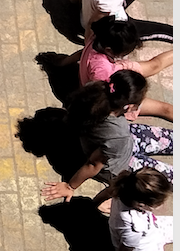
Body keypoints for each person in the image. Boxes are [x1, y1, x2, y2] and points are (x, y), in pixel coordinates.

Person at [41, 70, 173, 204]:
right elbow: (93, 164)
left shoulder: (93, 90)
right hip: (120, 164)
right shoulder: (117, 134)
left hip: (120, 142)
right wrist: (70, 186)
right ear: (129, 107)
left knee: (169, 138)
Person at [70, 16, 172, 120]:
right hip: (115, 96)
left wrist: (63, 62)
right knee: (165, 109)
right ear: (109, 50)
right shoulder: (106, 72)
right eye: (125, 53)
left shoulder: (99, 36)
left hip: (102, 77)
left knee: (155, 66)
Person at [95, 168, 173, 251]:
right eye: (158, 203)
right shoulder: (134, 227)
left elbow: (107, 192)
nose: (162, 204)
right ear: (140, 205)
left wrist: (93, 205)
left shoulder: (123, 188)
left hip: (151, 229)